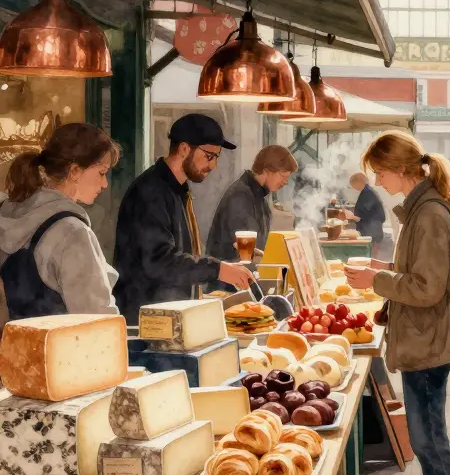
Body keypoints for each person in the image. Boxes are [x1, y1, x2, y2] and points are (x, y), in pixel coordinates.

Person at [342, 131, 450, 475]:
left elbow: (428, 288)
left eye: (380, 172)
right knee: (427, 436)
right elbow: (419, 271)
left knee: (430, 439)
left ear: (400, 169)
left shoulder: (429, 213)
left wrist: (377, 280)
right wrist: (385, 268)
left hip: (429, 341)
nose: (377, 181)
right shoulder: (422, 209)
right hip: (423, 338)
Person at [113, 114, 254, 324]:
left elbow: (180, 255)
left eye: (217, 157)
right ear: (184, 149)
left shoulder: (178, 190)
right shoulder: (150, 192)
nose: (213, 165)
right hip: (147, 322)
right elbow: (159, 262)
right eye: (209, 156)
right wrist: (217, 269)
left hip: (168, 315)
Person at [0, 123, 121, 325]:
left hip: (12, 353)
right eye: (101, 172)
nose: (105, 184)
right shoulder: (72, 233)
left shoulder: (6, 211)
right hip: (60, 354)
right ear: (74, 171)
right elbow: (97, 322)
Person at [207, 145, 297, 264]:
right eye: (283, 176)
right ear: (267, 170)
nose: (285, 182)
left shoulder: (259, 198)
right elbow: (245, 252)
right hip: (228, 278)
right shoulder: (240, 197)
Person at [348, 172, 390, 260]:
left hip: (372, 232)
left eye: (353, 185)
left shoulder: (367, 194)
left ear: (358, 183)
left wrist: (352, 217)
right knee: (370, 258)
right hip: (372, 231)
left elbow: (367, 216)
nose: (353, 187)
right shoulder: (367, 191)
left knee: (371, 259)